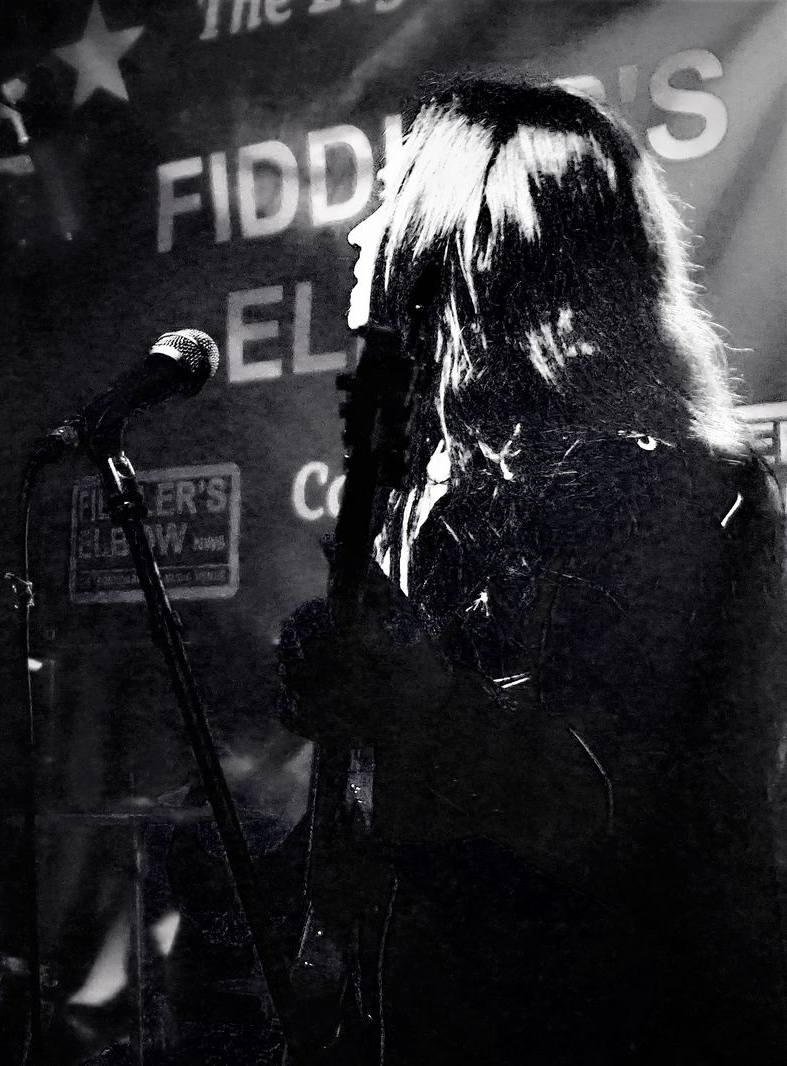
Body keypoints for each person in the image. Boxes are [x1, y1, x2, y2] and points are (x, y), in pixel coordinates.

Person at [276, 75, 787, 1064]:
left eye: (389, 197)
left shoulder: (674, 490)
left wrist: (408, 693)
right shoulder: (423, 478)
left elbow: (609, 811)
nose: (360, 234)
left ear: (470, 237)